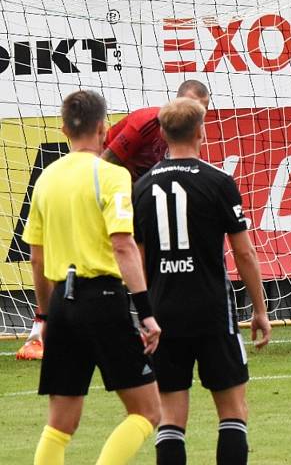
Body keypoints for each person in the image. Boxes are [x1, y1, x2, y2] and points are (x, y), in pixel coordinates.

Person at [17, 79, 209, 361]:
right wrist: (120, 199)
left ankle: (154, 319)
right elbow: (102, 163)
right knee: (116, 254)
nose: (197, 115)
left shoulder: (185, 133)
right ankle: (44, 327)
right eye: (193, 107)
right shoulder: (146, 123)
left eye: (202, 110)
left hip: (131, 193)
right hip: (108, 194)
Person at [22, 89, 161, 465]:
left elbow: (37, 259)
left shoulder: (46, 179)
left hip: (62, 307)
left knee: (59, 425)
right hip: (102, 300)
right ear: (104, 128)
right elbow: (123, 246)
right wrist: (146, 312)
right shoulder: (112, 175)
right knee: (148, 412)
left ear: (65, 129)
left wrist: (45, 316)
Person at [133, 97, 271, 465]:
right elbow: (244, 254)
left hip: (163, 314)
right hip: (212, 311)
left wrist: (144, 312)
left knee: (171, 417)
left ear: (162, 134)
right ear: (201, 132)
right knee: (232, 411)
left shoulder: (142, 188)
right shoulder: (219, 182)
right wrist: (260, 310)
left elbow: (137, 260)